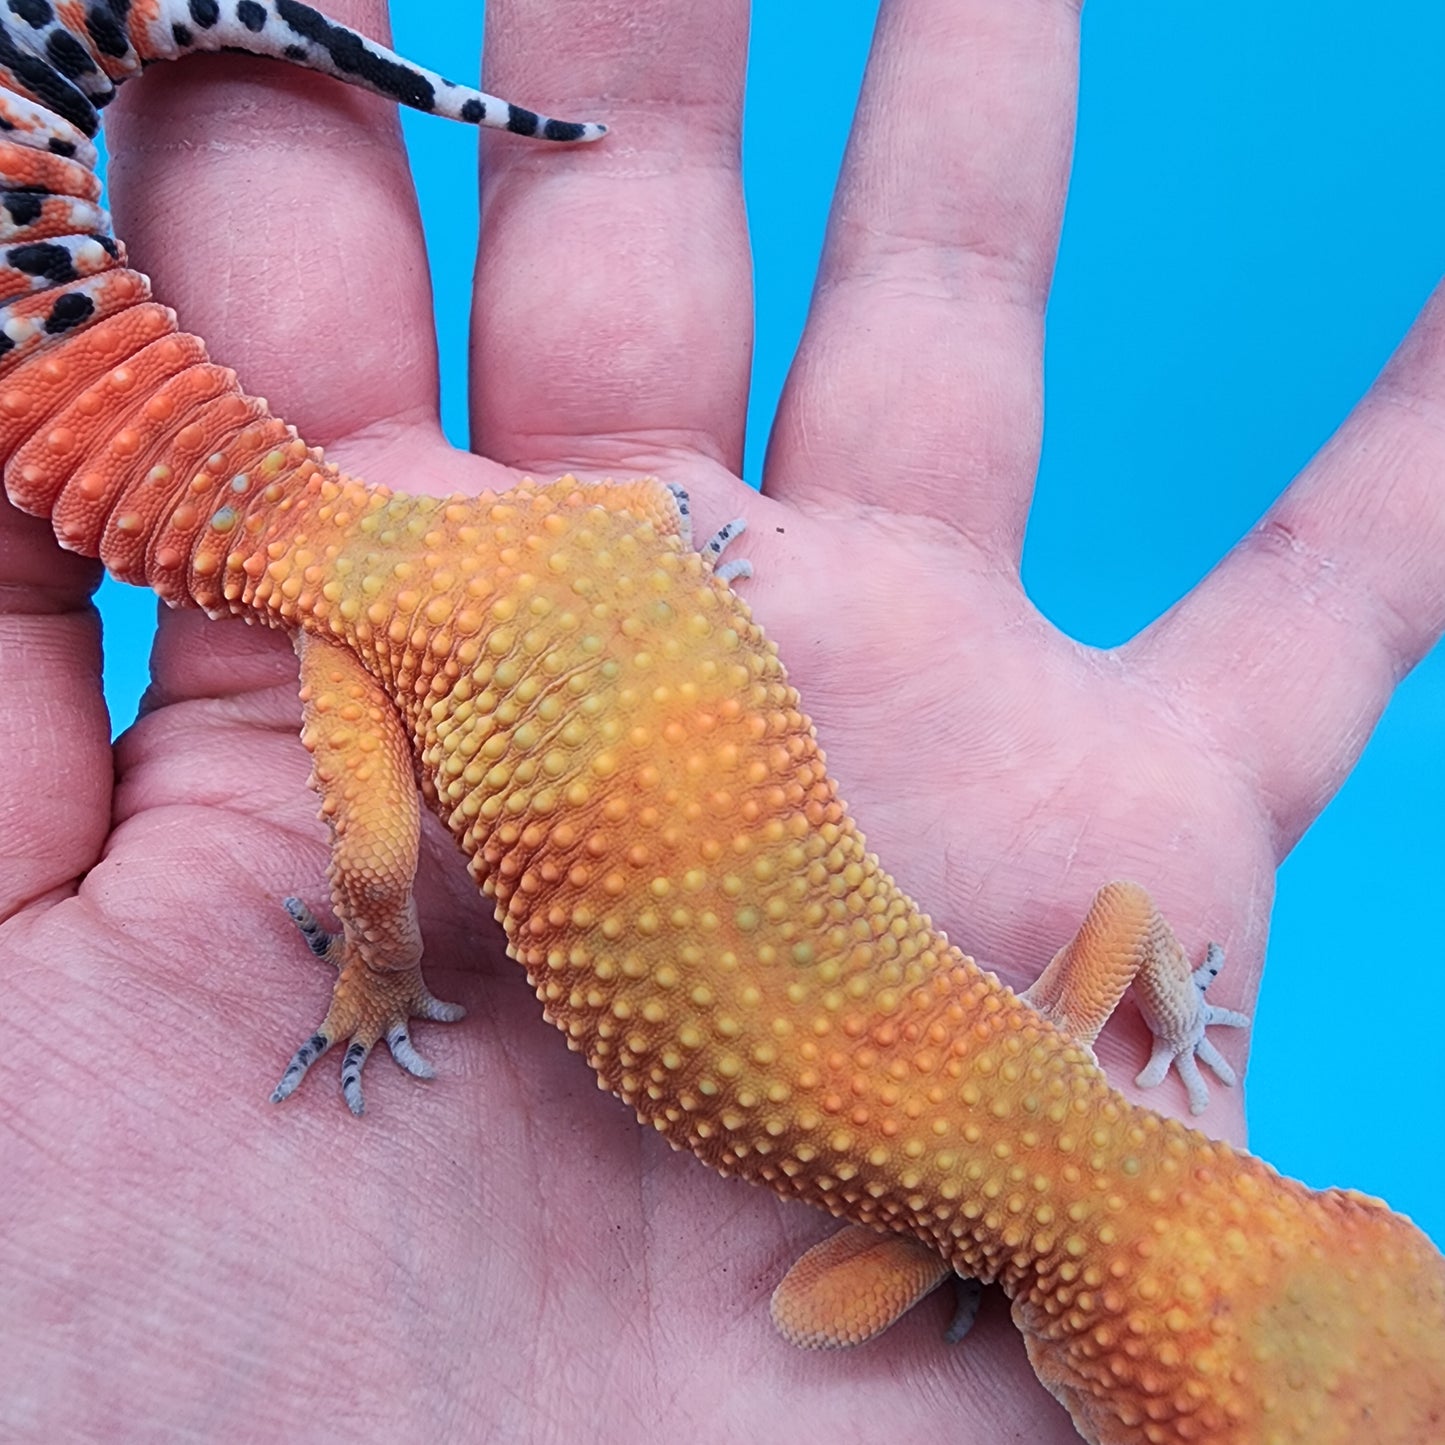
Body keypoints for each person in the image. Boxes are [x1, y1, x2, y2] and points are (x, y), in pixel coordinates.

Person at [2, 0, 1441, 1438]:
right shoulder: (915, 1247)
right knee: (377, 874)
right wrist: (377, 965)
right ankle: (375, 977)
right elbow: (810, 1309)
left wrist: (1172, 1021)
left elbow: (1125, 919)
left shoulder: (1060, 1048)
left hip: (599, 568)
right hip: (401, 632)